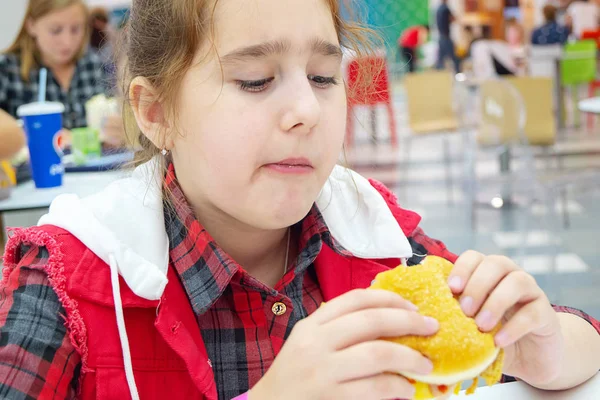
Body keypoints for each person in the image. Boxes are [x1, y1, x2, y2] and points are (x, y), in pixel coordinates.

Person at [0, 0, 600, 399]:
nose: (307, 112)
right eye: (255, 81)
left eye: (322, 76)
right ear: (155, 113)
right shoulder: (64, 280)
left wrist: (543, 349)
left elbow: (579, 339)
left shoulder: (373, 234)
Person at [0, 0, 114, 134]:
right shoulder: (7, 69)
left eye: (76, 29)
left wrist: (118, 131)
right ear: (31, 25)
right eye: (55, 30)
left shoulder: (94, 64)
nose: (67, 42)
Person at [435, 0, 461, 73]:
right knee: (454, 57)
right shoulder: (446, 8)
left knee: (440, 59)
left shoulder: (438, 9)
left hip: (441, 36)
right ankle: (458, 73)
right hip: (446, 36)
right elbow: (453, 18)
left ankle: (439, 75)